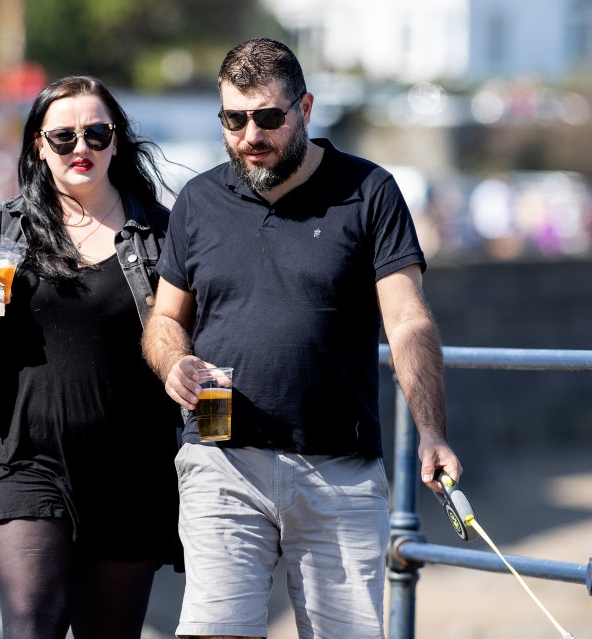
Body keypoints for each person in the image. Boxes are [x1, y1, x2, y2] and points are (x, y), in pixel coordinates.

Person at [141, 38, 463, 639]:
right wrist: (172, 364)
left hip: (339, 466)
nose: (250, 135)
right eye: (234, 120)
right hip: (222, 457)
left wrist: (431, 431)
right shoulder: (198, 201)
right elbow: (165, 320)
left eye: (268, 118)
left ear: (306, 108)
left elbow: (408, 320)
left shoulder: (370, 192)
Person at [0, 75, 183, 639]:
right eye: (64, 136)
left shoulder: (159, 234)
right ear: (38, 147)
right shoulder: (8, 227)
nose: (82, 149)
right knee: (30, 625)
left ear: (116, 141)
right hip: (23, 460)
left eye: (97, 133)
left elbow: (192, 332)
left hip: (130, 470)